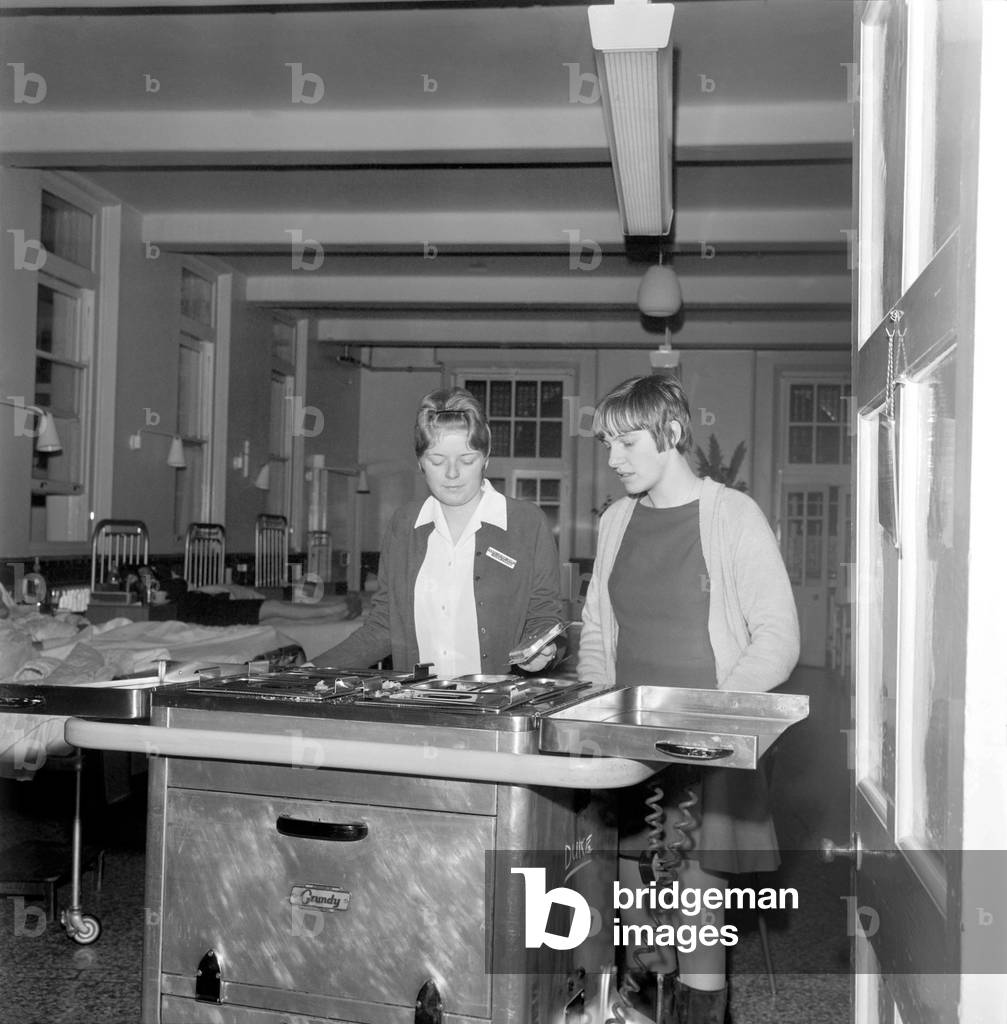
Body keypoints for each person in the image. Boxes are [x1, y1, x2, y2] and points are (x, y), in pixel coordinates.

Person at [577, 374, 800, 1024]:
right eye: (607, 445)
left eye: (627, 443)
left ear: (671, 432)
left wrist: (707, 713)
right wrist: (596, 715)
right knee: (637, 921)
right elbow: (596, 630)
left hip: (704, 754)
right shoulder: (615, 520)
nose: (614, 459)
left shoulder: (731, 515)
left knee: (696, 921)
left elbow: (778, 639)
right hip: (627, 755)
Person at [314, 386, 565, 676]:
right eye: (437, 460)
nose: (452, 473)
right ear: (420, 461)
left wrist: (544, 650)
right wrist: (309, 672)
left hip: (493, 706)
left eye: (467, 459)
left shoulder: (526, 523)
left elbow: (546, 618)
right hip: (417, 703)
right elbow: (384, 625)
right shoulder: (404, 525)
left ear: (486, 457)